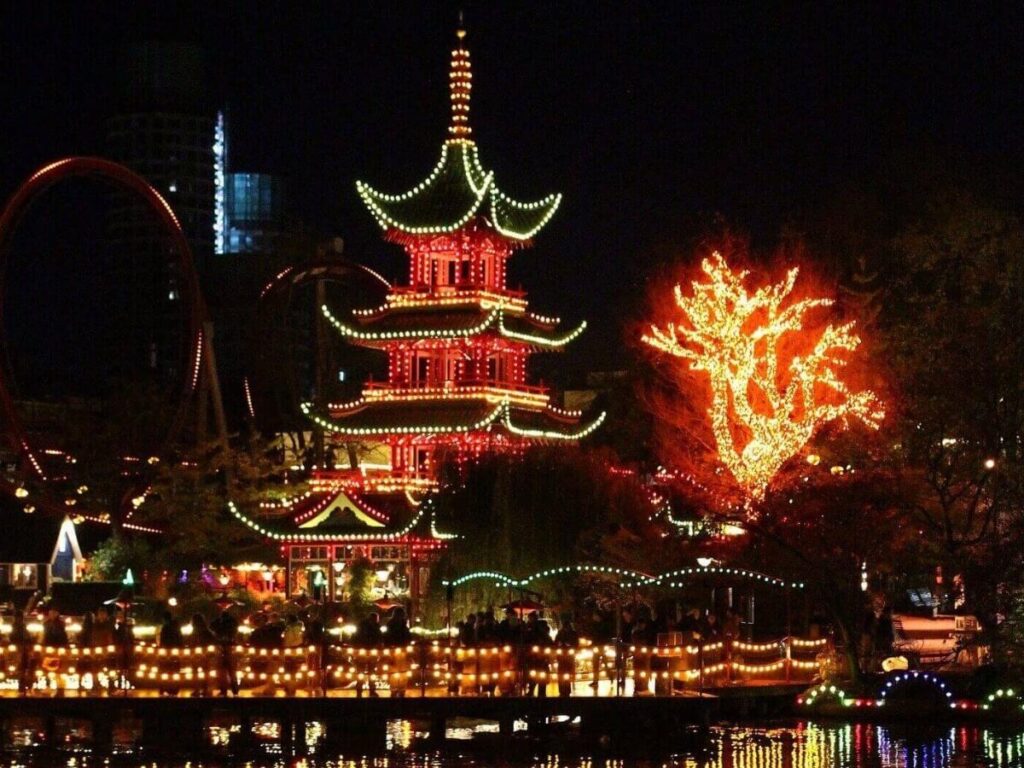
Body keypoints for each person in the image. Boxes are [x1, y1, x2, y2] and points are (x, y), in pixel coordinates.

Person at [210, 607, 240, 697]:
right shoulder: (233, 624)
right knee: (232, 671)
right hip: (230, 648)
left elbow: (212, 626)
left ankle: (224, 690)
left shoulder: (219, 624)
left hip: (222, 648)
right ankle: (235, 689)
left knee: (222, 671)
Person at [353, 613, 382, 697]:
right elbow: (379, 637)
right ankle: (369, 691)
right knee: (370, 672)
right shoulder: (375, 627)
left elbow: (355, 637)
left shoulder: (361, 626)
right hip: (369, 651)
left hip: (363, 651)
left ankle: (361, 691)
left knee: (362, 672)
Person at [555, 613, 580, 697]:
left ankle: (567, 689)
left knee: (567, 673)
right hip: (562, 656)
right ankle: (562, 689)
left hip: (569, 656)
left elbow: (576, 644)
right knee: (561, 673)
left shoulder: (573, 634)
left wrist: (570, 645)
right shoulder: (560, 633)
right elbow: (556, 642)